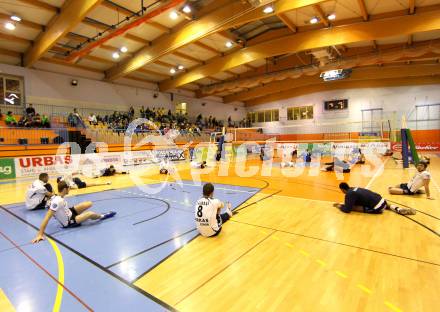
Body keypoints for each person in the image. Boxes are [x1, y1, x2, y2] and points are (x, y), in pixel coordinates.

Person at [31, 181, 116, 243]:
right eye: (69, 188)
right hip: (70, 221)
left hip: (69, 212)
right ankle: (102, 216)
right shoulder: (57, 202)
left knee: (89, 203)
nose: (70, 189)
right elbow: (47, 218)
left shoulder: (58, 196)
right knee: (90, 214)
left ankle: (83, 217)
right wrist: (40, 234)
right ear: (65, 189)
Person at [334, 182, 415, 215]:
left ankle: (380, 208)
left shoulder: (349, 194)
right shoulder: (354, 188)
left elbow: (347, 210)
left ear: (342, 189)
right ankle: (397, 209)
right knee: (379, 202)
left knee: (353, 208)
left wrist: (339, 206)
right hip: (382, 200)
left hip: (377, 208)